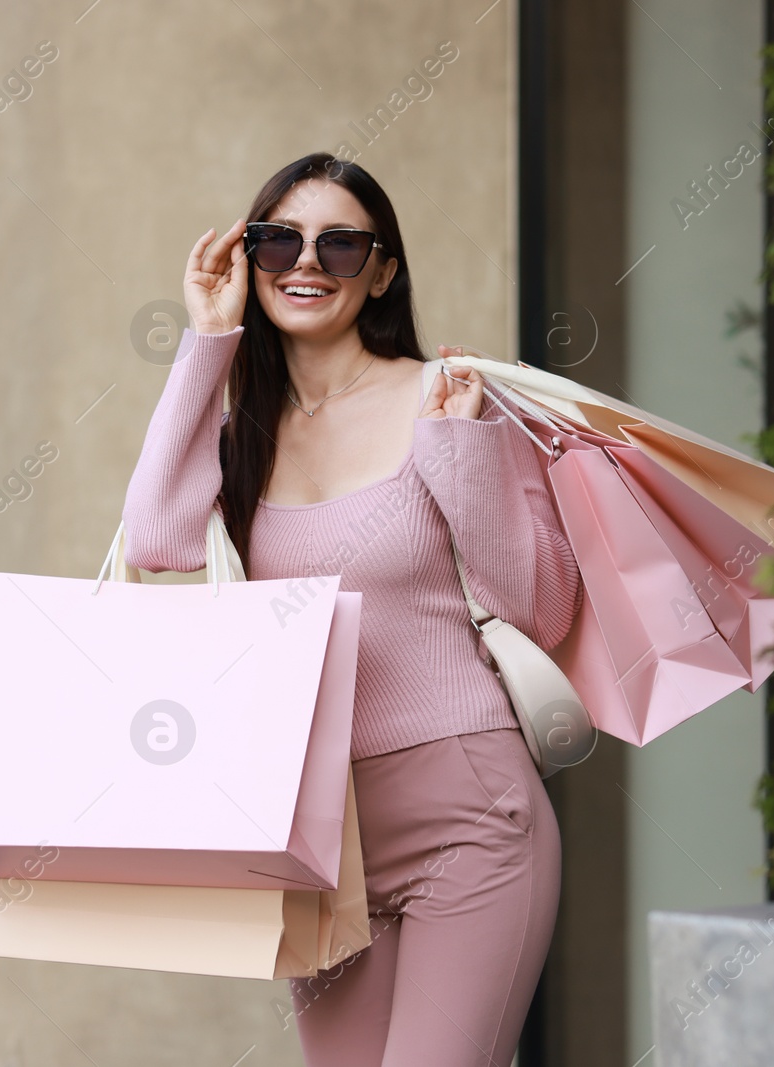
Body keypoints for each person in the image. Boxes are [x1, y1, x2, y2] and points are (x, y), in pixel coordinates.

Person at [121, 151, 582, 1066]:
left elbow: (541, 602)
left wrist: (460, 450)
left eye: (339, 245)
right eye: (278, 240)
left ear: (382, 271)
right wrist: (207, 341)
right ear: (249, 261)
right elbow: (154, 537)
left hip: (468, 814)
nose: (305, 262)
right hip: (321, 831)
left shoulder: (448, 398)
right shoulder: (242, 433)